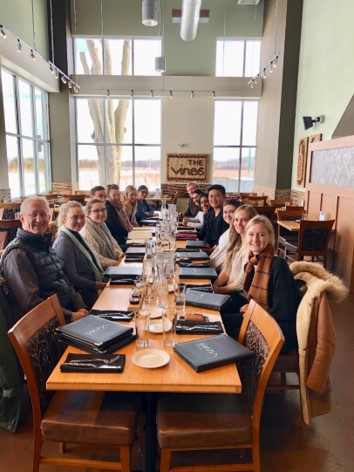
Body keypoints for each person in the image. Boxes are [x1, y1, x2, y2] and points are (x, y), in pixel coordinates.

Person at [0, 197, 88, 322]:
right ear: (22, 218)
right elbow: (31, 303)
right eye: (33, 214)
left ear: (49, 217)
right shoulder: (17, 254)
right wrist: (71, 316)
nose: (39, 219)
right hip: (49, 325)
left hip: (68, 312)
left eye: (43, 214)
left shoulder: (44, 244)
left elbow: (64, 280)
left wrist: (81, 306)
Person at [221, 215, 300, 352]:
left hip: (280, 330)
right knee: (219, 322)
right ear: (246, 237)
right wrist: (251, 309)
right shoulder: (251, 265)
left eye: (261, 235)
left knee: (228, 336)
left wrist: (253, 312)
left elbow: (284, 312)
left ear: (270, 237)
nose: (255, 239)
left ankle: (238, 372)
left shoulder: (278, 265)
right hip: (261, 317)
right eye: (251, 234)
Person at [53, 201, 107, 308]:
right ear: (64, 219)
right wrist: (101, 285)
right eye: (74, 217)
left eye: (82, 217)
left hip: (93, 287)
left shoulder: (77, 236)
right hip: (84, 296)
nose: (80, 221)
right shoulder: (64, 243)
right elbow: (73, 279)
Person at [213, 205, 258, 300]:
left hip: (242, 296)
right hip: (228, 290)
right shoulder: (235, 241)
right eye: (236, 220)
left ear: (253, 222)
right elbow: (227, 269)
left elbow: (242, 283)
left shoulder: (253, 246)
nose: (239, 223)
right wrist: (214, 285)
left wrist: (220, 290)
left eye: (244, 220)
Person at [80, 198, 124, 269]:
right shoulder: (86, 230)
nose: (101, 213)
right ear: (88, 213)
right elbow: (95, 257)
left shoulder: (102, 224)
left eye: (103, 210)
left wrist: (121, 255)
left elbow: (113, 243)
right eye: (96, 211)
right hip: (100, 271)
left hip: (113, 265)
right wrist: (116, 263)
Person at [208, 199, 241, 271]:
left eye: (232, 212)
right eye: (225, 212)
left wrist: (207, 266)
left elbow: (223, 259)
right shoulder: (230, 229)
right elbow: (218, 250)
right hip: (213, 267)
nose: (227, 215)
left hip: (219, 271)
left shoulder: (237, 233)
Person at [200, 184, 229, 251]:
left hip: (221, 251)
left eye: (217, 196)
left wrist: (210, 250)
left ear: (224, 197)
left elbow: (224, 241)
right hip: (210, 249)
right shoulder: (209, 215)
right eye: (211, 196)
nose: (213, 199)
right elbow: (208, 236)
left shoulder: (226, 216)